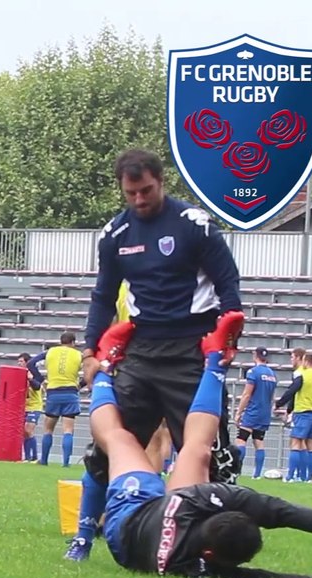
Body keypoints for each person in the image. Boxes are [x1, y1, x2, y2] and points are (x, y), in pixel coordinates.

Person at [94, 316, 312, 578]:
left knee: (120, 439)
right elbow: (263, 559)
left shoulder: (191, 531)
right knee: (198, 452)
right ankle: (215, 360)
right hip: (164, 514)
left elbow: (273, 527)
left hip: (129, 521)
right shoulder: (192, 560)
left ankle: (104, 368)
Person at [82, 149, 244, 480]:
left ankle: (215, 526)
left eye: (146, 190)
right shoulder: (114, 235)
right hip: (141, 350)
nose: (139, 199)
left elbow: (227, 282)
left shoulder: (194, 225)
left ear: (161, 181)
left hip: (191, 349)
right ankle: (91, 525)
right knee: (109, 443)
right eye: (131, 193)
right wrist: (89, 351)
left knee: (209, 454)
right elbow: (103, 296)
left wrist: (229, 334)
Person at [275, 352, 312, 483]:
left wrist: (278, 404)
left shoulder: (303, 375)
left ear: (306, 362)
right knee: (311, 445)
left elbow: (291, 390)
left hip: (302, 412)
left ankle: (290, 477)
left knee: (296, 443)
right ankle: (308, 478)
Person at [26, 332, 83, 467]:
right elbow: (91, 369)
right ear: (73, 342)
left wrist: (40, 378)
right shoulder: (78, 355)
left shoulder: (50, 352)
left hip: (53, 392)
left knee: (48, 429)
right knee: (68, 429)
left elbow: (31, 363)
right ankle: (66, 463)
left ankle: (44, 460)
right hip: (71, 392)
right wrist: (81, 384)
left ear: (60, 341)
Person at [234, 347, 278, 479]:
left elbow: (247, 394)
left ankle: (237, 471)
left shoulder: (253, 372)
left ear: (255, 356)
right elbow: (272, 396)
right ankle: (257, 474)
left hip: (253, 410)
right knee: (258, 440)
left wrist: (239, 412)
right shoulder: (272, 374)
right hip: (265, 412)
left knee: (241, 439)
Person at [17, 353, 43, 463]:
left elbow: (37, 386)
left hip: (35, 406)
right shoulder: (18, 375)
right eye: (18, 361)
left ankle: (35, 457)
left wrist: (31, 379)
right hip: (25, 407)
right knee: (24, 432)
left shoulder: (34, 374)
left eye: (21, 361)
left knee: (28, 429)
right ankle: (27, 457)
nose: (19, 364)